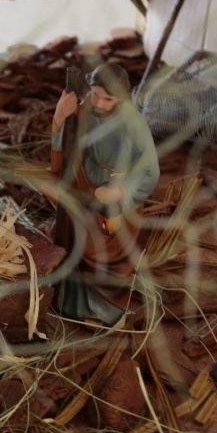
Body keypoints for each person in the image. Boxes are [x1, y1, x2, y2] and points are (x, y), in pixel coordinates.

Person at [48, 62, 160, 324]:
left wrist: (119, 192)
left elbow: (150, 171)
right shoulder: (86, 107)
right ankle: (67, 295)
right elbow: (67, 142)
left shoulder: (133, 123)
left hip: (115, 197)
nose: (99, 102)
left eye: (108, 99)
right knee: (69, 232)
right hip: (83, 185)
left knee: (97, 244)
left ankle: (103, 304)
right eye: (95, 94)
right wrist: (59, 118)